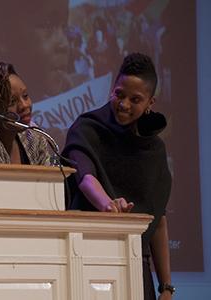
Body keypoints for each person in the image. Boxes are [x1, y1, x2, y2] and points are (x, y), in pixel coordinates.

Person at [62, 53, 173, 299]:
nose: (123, 104)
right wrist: (109, 206)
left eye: (135, 99)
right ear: (113, 88)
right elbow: (85, 177)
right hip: (90, 255)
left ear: (150, 103)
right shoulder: (87, 128)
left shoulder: (154, 149)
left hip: (137, 263)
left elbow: (158, 219)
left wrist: (166, 286)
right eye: (119, 94)